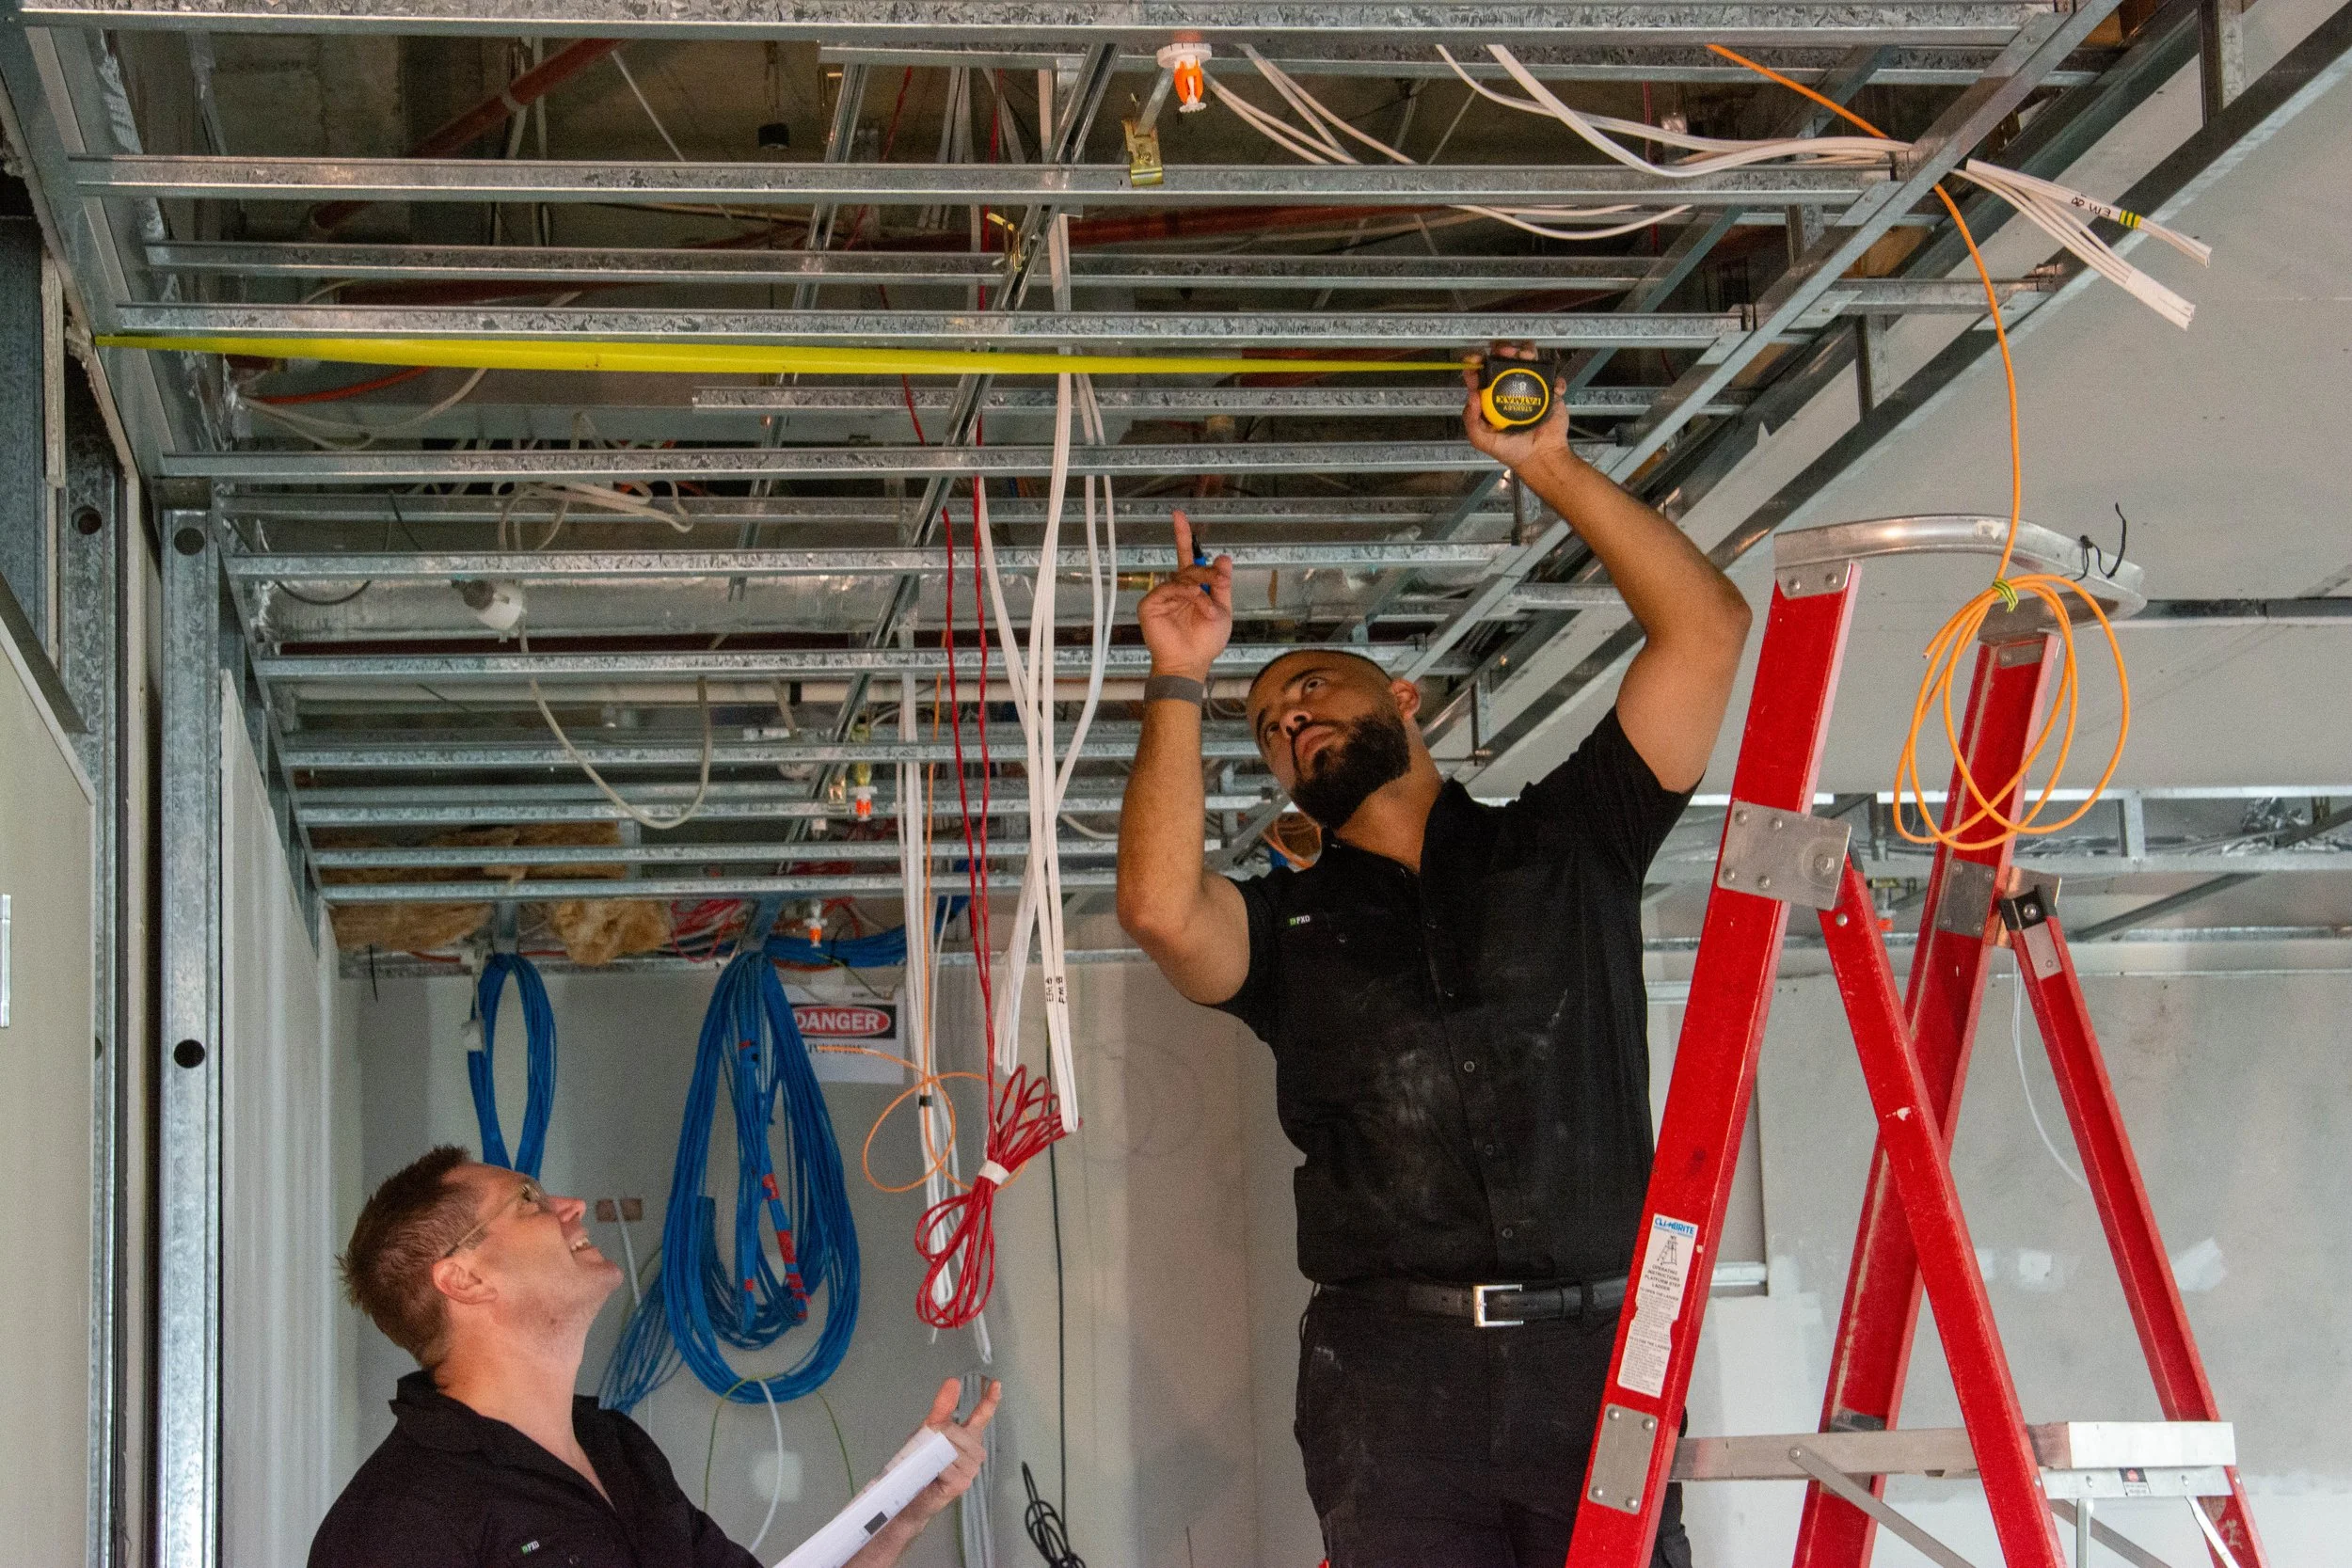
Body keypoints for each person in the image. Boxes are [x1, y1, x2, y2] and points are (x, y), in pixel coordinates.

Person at [1115, 345, 1752, 1567]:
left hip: (1598, 1357)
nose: (1290, 714)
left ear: (1407, 698)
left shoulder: (1572, 844)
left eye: (1312, 686)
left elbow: (1709, 630)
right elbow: (1155, 905)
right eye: (1270, 726)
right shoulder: (1284, 929)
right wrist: (1182, 676)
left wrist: (1549, 466)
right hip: (1390, 1378)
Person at [313, 1144, 999, 1568]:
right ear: (463, 1278)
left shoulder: (620, 1450)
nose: (572, 1206)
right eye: (529, 1200)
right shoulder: (397, 1521)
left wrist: (910, 1501)